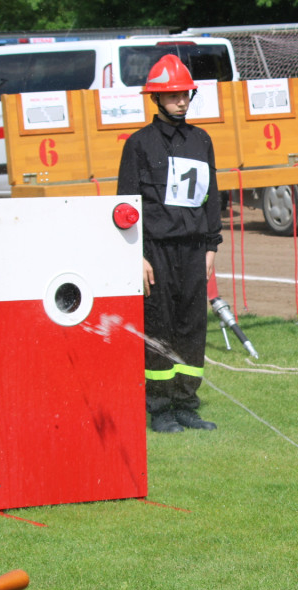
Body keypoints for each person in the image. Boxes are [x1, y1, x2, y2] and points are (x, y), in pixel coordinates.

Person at [117, 55, 222, 434]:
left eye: (185, 95)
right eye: (173, 95)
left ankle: (186, 404)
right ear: (156, 100)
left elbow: (212, 196)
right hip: (156, 252)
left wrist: (212, 246)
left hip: (194, 251)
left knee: (192, 328)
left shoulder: (201, 140)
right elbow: (126, 204)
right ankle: (159, 408)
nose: (181, 102)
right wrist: (139, 255)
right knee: (159, 328)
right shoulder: (138, 145)